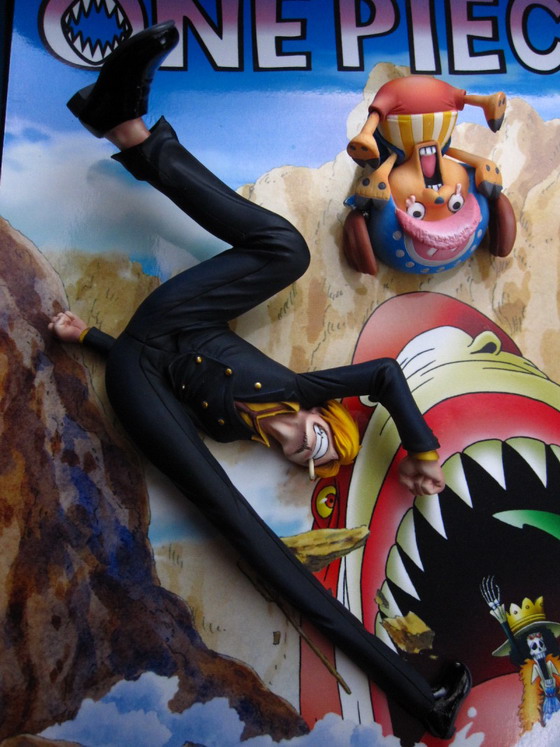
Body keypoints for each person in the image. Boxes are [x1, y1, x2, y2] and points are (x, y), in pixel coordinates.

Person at [50, 21, 470, 738]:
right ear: (318, 416)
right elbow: (382, 373)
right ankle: (128, 129)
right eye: (323, 439)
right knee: (285, 249)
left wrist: (87, 337)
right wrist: (421, 449)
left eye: (314, 461)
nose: (311, 450)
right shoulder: (297, 388)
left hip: (138, 367)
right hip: (184, 317)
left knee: (249, 537)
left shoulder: (224, 432)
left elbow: (155, 383)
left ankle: (419, 696)